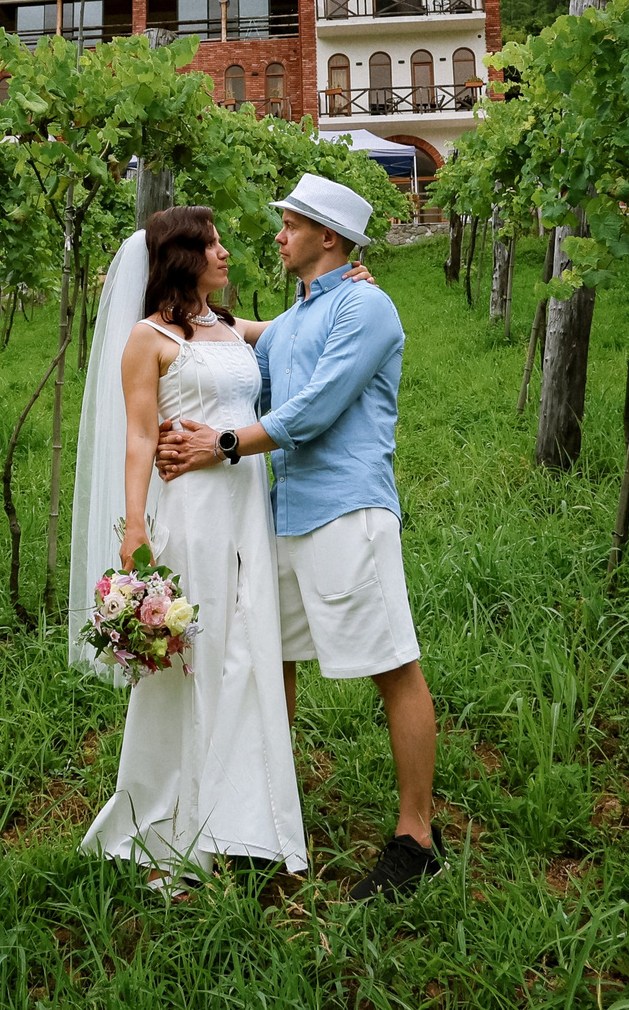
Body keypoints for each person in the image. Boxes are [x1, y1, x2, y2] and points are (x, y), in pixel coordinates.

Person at [156, 172, 441, 903]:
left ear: (329, 238)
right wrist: (165, 312)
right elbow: (238, 336)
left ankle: (417, 836)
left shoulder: (368, 307)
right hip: (289, 515)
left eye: (289, 224)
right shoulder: (299, 314)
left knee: (391, 662)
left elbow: (311, 412)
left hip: (350, 511)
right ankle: (265, 812)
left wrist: (220, 442)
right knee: (271, 657)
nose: (276, 236)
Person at [71, 206, 308, 889]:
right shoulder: (147, 339)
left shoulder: (230, 326)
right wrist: (136, 526)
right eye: (212, 243)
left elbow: (296, 332)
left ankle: (244, 817)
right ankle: (173, 821)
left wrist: (341, 281)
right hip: (193, 512)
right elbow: (141, 437)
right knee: (196, 659)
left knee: (246, 651)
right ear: (181, 256)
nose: (226, 252)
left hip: (246, 509)